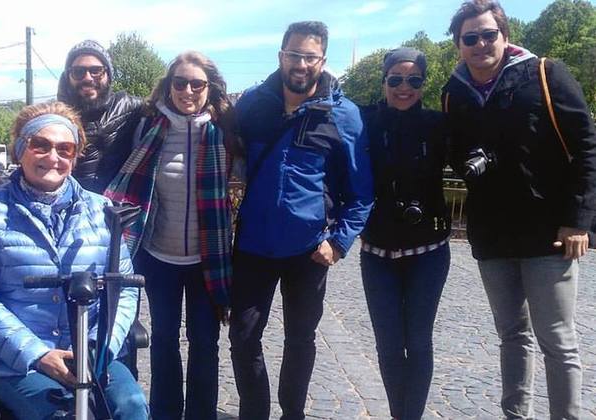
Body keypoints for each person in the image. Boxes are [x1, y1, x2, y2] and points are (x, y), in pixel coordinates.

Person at [442, 1, 596, 418]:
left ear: (505, 36)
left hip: (549, 232)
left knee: (558, 341)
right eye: (470, 38)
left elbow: (586, 148)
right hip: (492, 234)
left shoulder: (546, 74)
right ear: (459, 45)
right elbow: (455, 152)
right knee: (511, 335)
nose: (480, 44)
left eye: (488, 34)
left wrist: (577, 221)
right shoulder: (454, 92)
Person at [0, 101, 148, 420]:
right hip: (16, 361)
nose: (52, 157)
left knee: (131, 407)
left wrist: (100, 348)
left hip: (92, 352)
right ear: (20, 149)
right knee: (63, 415)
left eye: (64, 149)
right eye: (40, 145)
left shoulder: (103, 210)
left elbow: (124, 290)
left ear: (75, 156)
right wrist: (39, 354)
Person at [229, 21, 374, 420]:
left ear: (322, 60)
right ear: (281, 56)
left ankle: (292, 413)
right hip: (253, 245)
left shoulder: (344, 115)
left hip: (309, 250)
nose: (301, 64)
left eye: (310, 57)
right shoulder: (252, 104)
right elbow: (221, 150)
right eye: (294, 54)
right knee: (242, 338)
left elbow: (362, 192)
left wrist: (339, 242)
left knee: (300, 339)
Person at [105, 51, 234, 420]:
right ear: (169, 86)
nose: (187, 90)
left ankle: (201, 415)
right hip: (159, 256)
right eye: (180, 82)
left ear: (210, 88)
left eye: (197, 84)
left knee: (205, 343)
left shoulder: (226, 132)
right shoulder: (148, 128)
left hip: (208, 259)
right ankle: (165, 413)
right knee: (163, 340)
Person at [359, 47, 451, 420]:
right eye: (395, 79)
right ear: (384, 82)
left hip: (427, 252)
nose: (404, 87)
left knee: (418, 341)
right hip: (377, 254)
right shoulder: (364, 122)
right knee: (388, 346)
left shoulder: (438, 124)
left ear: (423, 84)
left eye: (414, 80)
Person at [57, 39, 142, 193]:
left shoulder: (135, 108)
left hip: (120, 205)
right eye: (78, 72)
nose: (88, 78)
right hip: (70, 205)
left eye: (96, 71)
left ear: (108, 75)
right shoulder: (55, 118)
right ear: (67, 76)